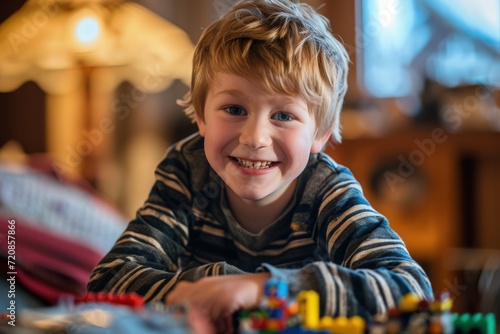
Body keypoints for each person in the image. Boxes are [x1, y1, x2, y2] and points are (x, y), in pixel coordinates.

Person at [87, 0, 433, 332]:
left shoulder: (327, 191)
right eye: (234, 109)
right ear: (200, 115)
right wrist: (216, 284)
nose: (255, 137)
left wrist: (265, 288)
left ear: (321, 134)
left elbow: (412, 290)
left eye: (284, 115)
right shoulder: (187, 172)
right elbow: (109, 281)